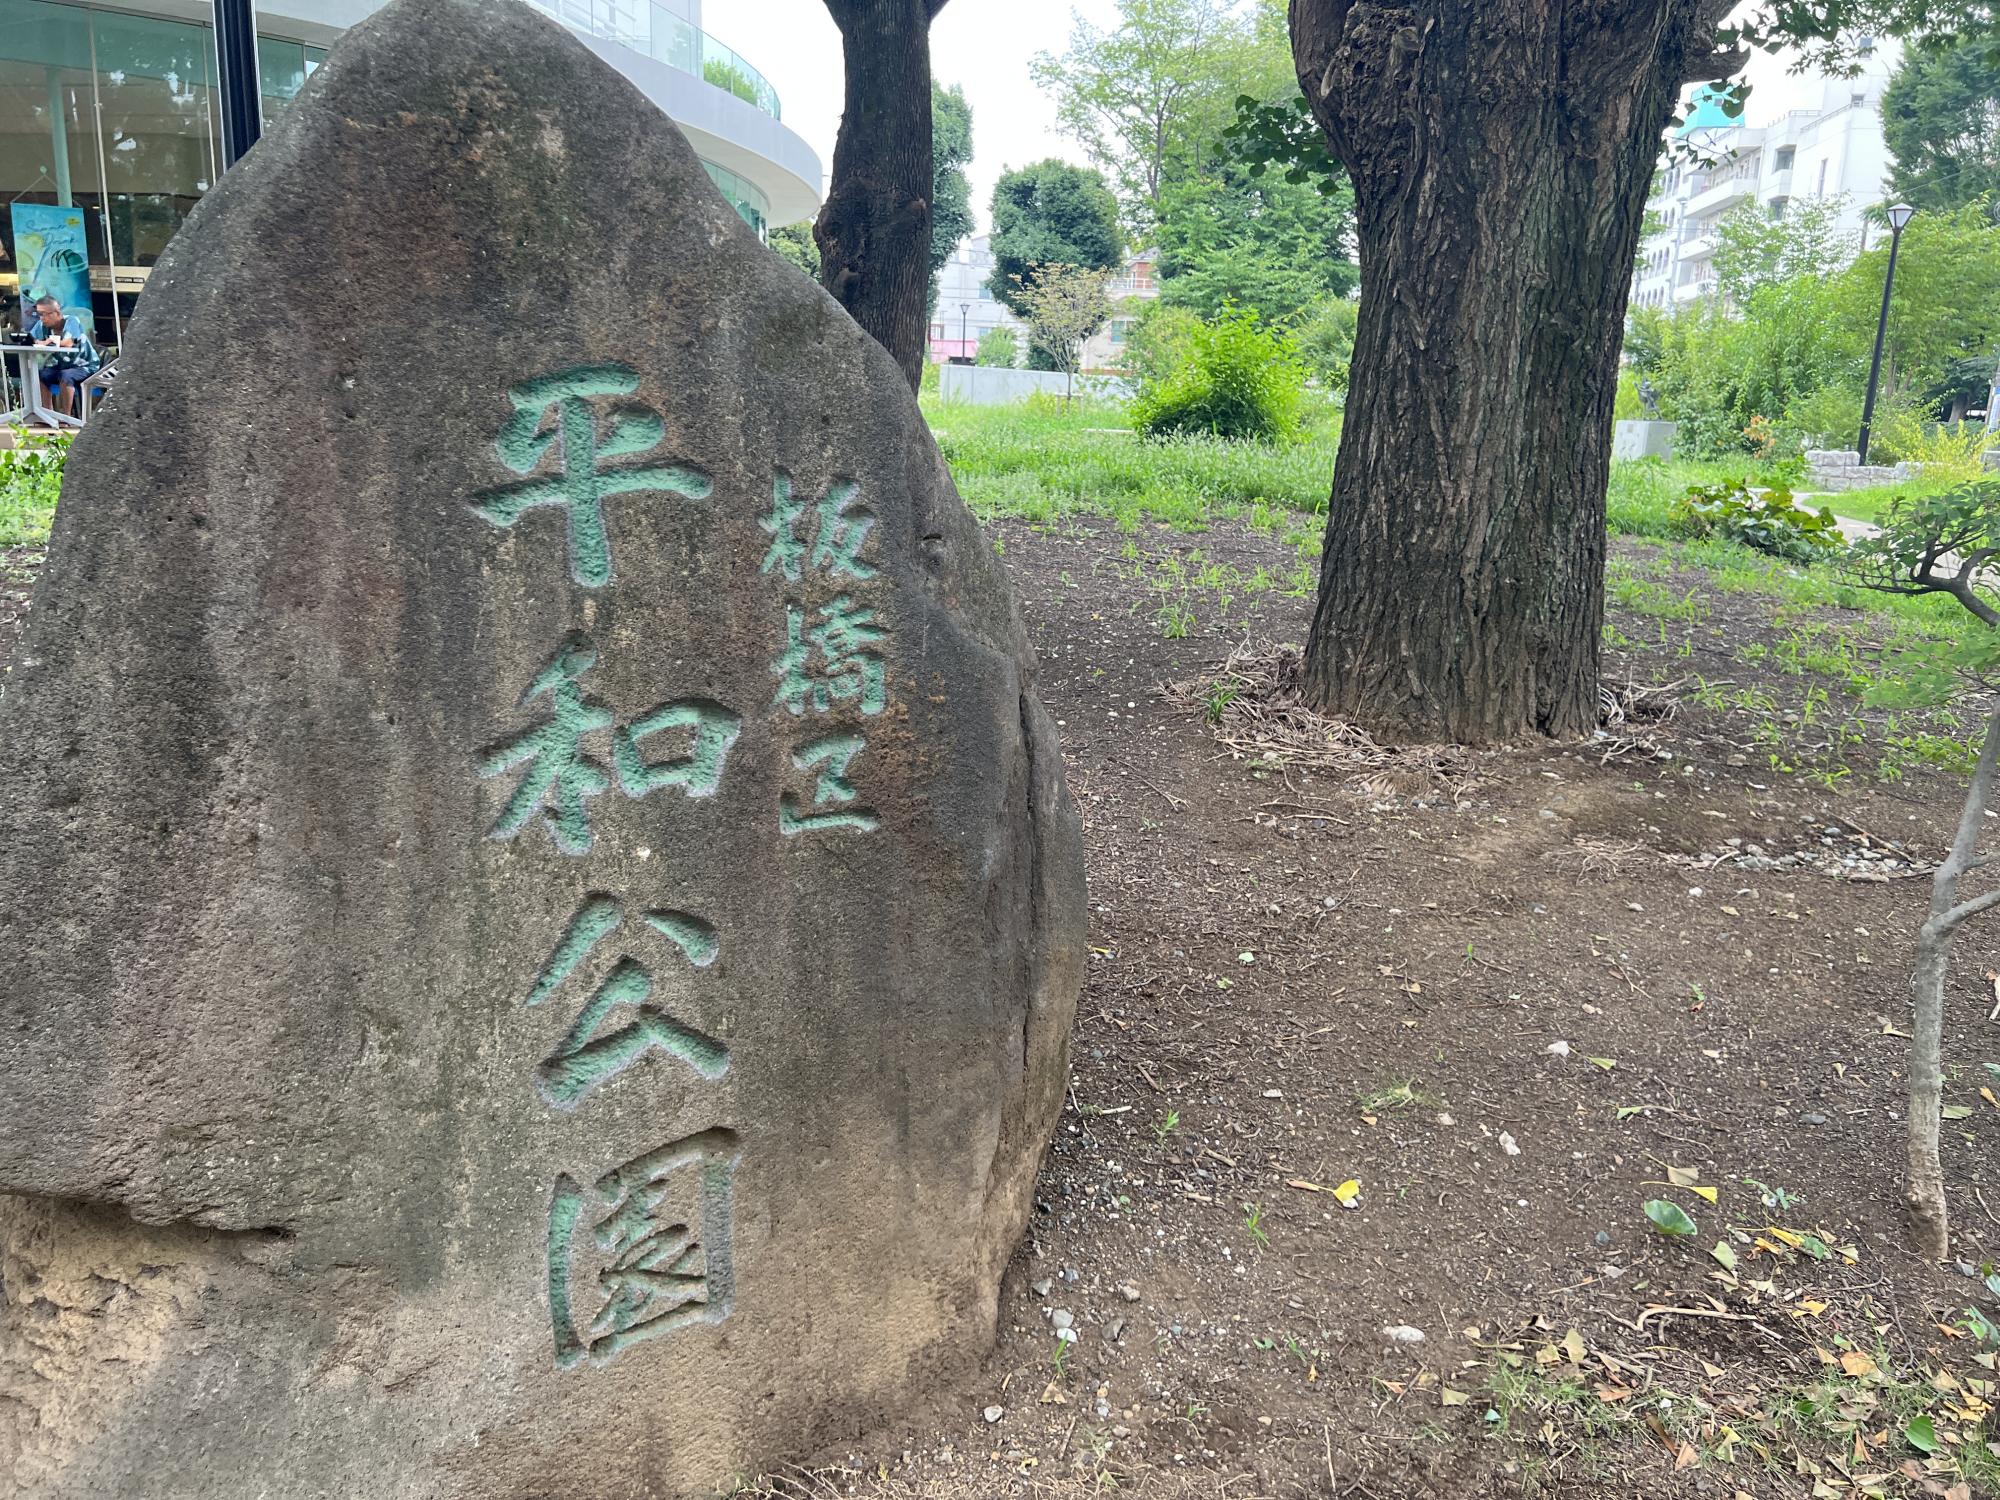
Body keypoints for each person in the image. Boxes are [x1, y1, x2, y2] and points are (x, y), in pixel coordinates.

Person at [23, 295, 100, 420]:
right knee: (40, 375)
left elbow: (68, 343)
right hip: (62, 365)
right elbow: (32, 338)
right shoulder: (42, 324)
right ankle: (48, 416)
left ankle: (66, 418)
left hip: (85, 365)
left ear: (56, 313)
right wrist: (34, 341)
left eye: (44, 314)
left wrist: (48, 340)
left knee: (65, 375)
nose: (41, 318)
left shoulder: (71, 321)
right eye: (39, 314)